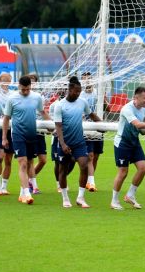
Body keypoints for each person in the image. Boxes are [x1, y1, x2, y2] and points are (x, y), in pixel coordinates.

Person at [53, 76, 102, 208]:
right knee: (62, 170)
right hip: (65, 142)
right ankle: (65, 197)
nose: (77, 94)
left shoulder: (82, 102)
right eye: (75, 91)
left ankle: (80, 197)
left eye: (79, 92)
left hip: (79, 142)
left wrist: (102, 125)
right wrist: (63, 144)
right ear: (69, 89)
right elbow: (58, 126)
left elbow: (91, 114)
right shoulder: (60, 105)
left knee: (84, 166)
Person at [2, 75, 50, 205]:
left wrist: (51, 125)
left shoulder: (36, 97)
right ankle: (27, 193)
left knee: (29, 163)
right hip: (18, 134)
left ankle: (22, 193)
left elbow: (43, 112)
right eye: (23, 89)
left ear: (31, 87)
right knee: (22, 163)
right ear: (19, 86)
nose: (25, 92)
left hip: (31, 134)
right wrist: (4, 137)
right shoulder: (12, 99)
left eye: (28, 89)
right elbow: (6, 118)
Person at [111, 87, 145, 210]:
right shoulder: (127, 109)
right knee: (123, 172)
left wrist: (142, 131)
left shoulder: (144, 109)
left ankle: (130, 195)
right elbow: (137, 124)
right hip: (123, 143)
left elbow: (139, 127)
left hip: (134, 142)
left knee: (143, 168)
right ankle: (114, 201)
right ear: (136, 97)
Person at [80, 71, 102, 192]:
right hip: (87, 128)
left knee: (96, 156)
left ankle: (89, 180)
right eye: (84, 79)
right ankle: (91, 182)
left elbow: (106, 107)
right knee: (90, 155)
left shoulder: (98, 93)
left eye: (89, 78)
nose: (87, 81)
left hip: (98, 127)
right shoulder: (81, 96)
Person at [27, 73, 47, 194]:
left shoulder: (40, 97)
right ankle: (34, 186)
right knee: (30, 160)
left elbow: (43, 112)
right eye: (30, 81)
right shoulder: (21, 97)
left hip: (39, 130)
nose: (32, 83)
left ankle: (29, 179)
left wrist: (49, 125)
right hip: (29, 130)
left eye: (33, 81)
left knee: (43, 160)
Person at [0, 72, 14, 195]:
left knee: (8, 159)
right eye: (3, 80)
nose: (5, 82)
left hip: (11, 128)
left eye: (8, 80)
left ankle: (4, 186)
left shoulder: (13, 95)